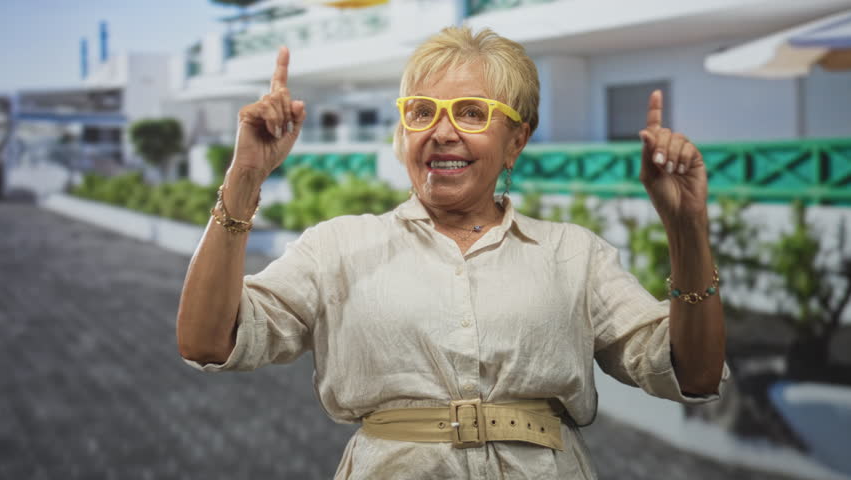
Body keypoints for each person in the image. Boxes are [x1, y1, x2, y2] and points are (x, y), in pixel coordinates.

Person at [177, 26, 730, 479]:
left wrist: (687, 229)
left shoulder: (573, 254)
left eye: (470, 112)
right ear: (402, 132)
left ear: (518, 138)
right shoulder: (337, 246)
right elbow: (207, 340)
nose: (441, 132)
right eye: (421, 111)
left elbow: (694, 374)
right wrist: (245, 176)